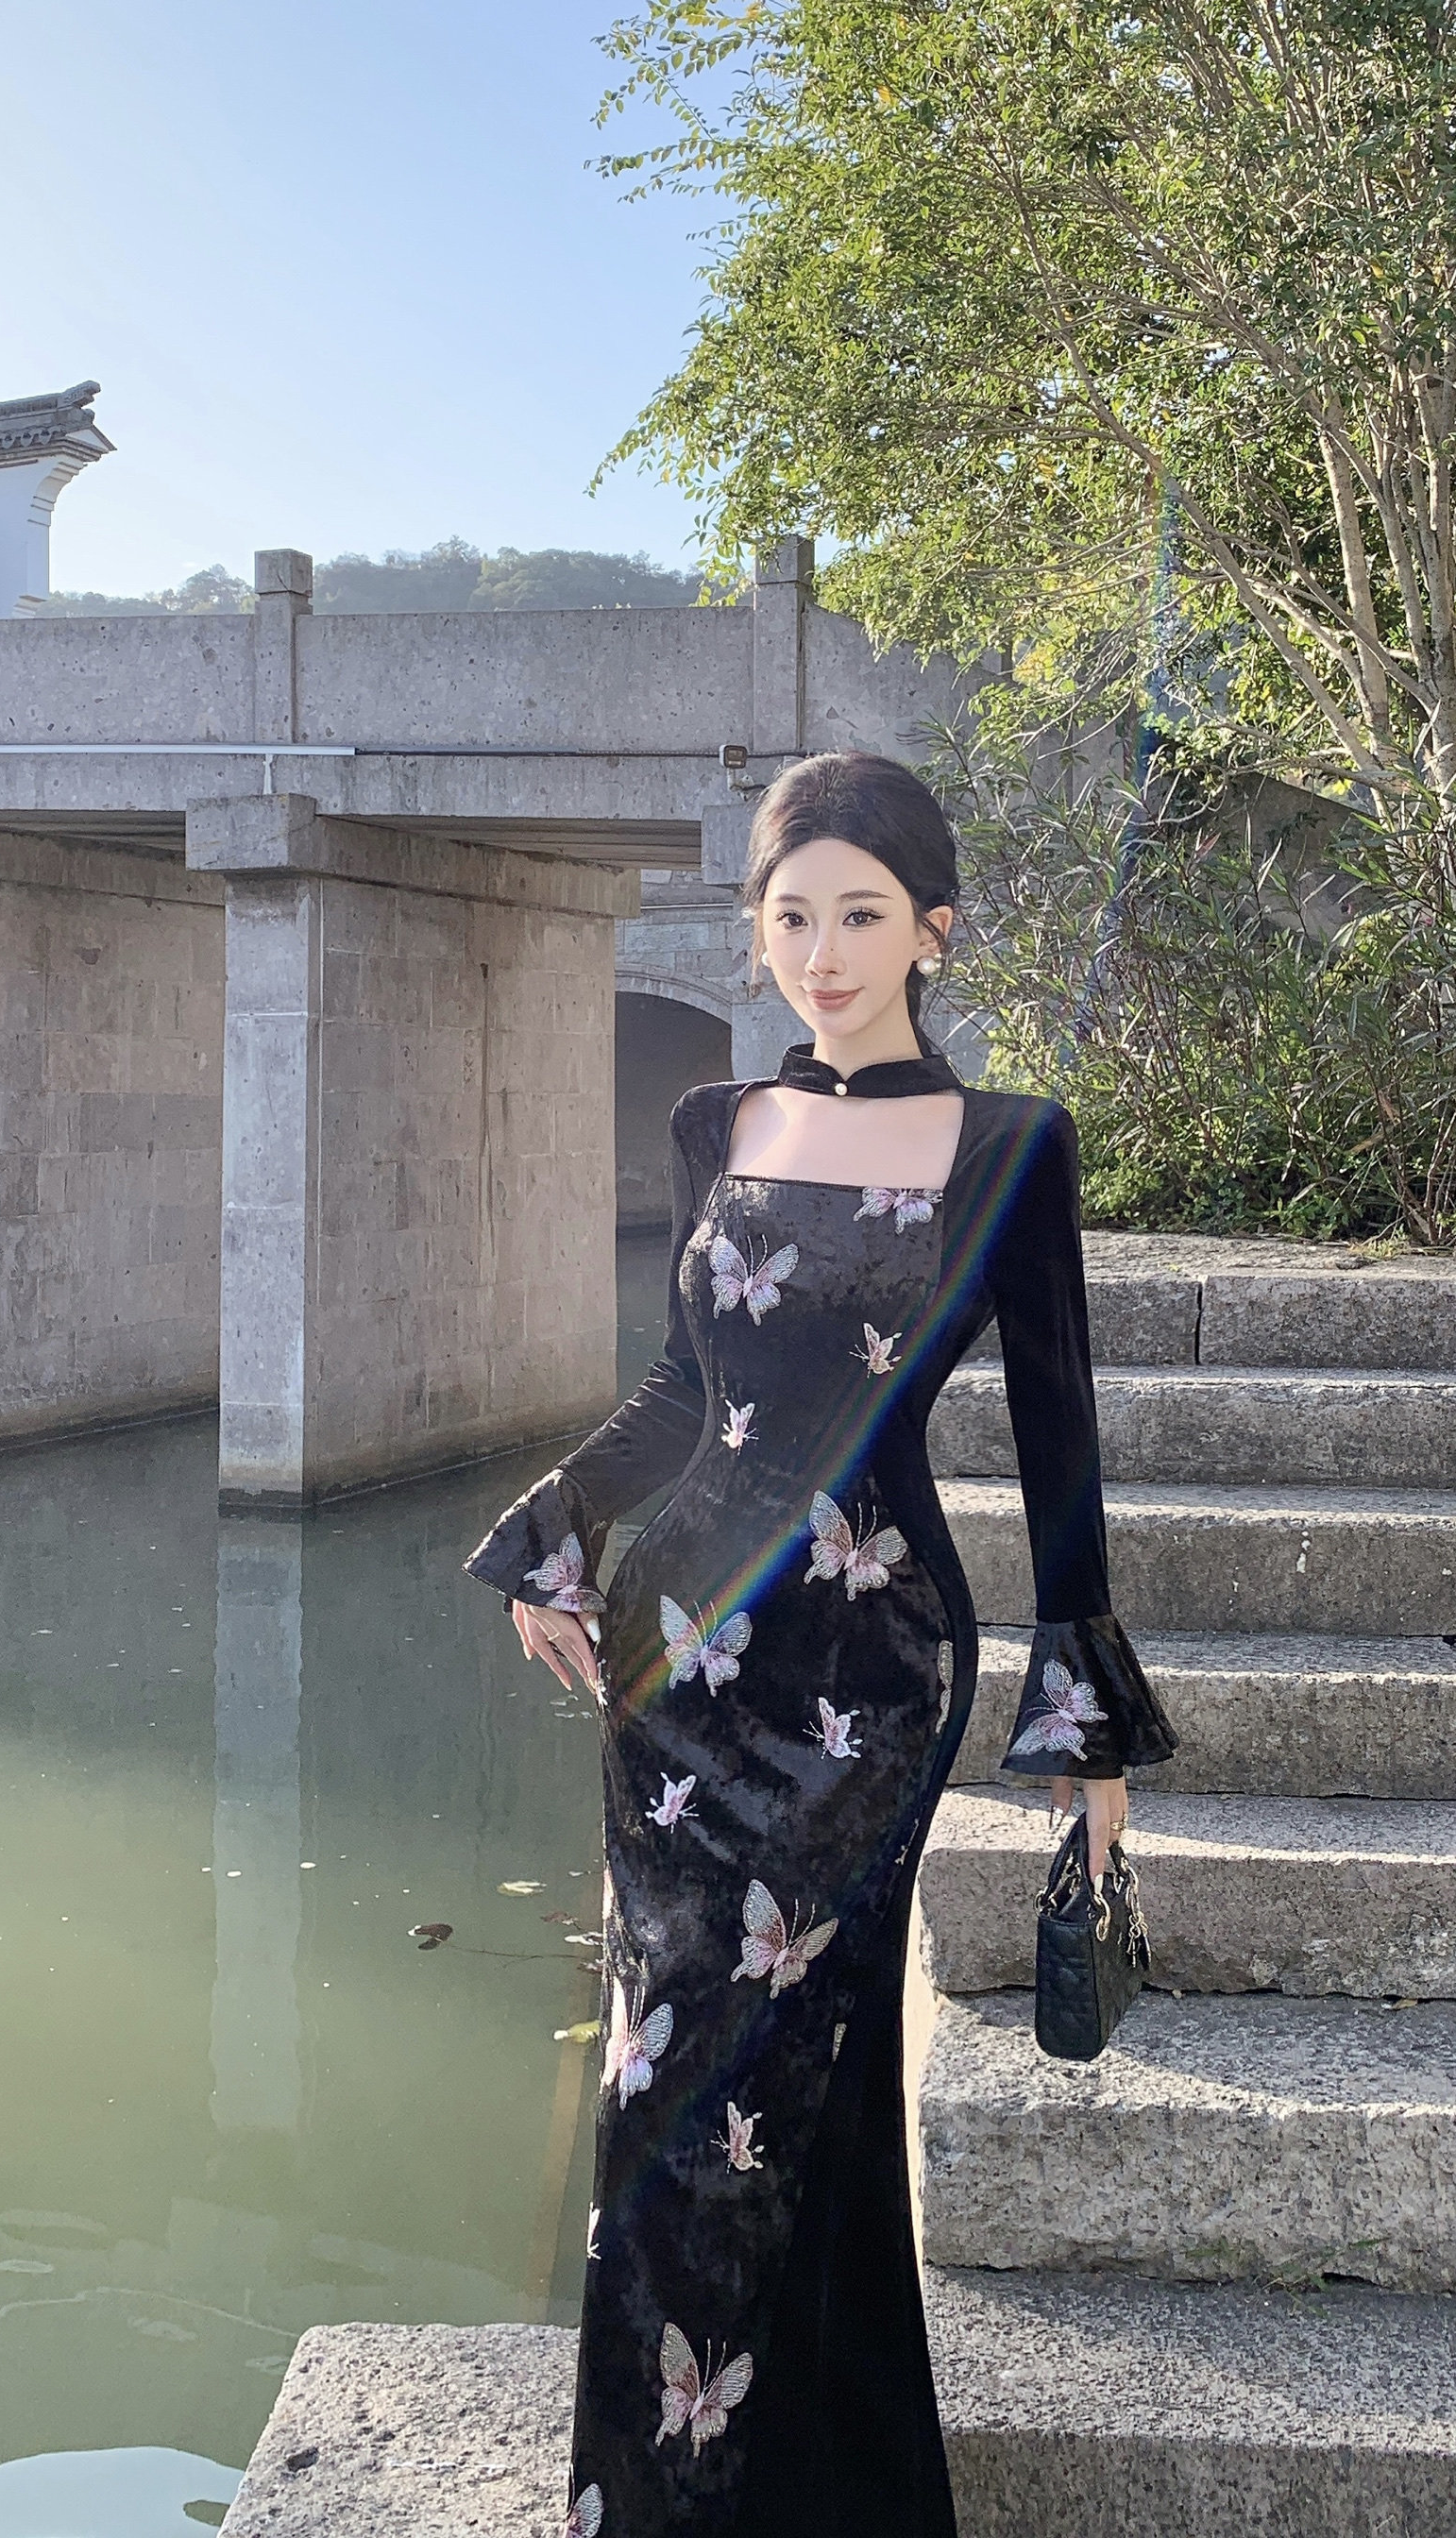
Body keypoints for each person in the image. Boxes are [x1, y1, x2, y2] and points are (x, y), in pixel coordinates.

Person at [465, 751, 1175, 2538]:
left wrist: (1088, 1737)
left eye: (861, 915)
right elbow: (677, 1394)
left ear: (933, 929)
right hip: (671, 1665)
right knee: (660, 2085)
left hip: (869, 1675)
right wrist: (546, 1531)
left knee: (791, 2081)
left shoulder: (1009, 1144)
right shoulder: (718, 1124)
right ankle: (688, 2503)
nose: (823, 953)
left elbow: (1062, 1448)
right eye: (791, 917)